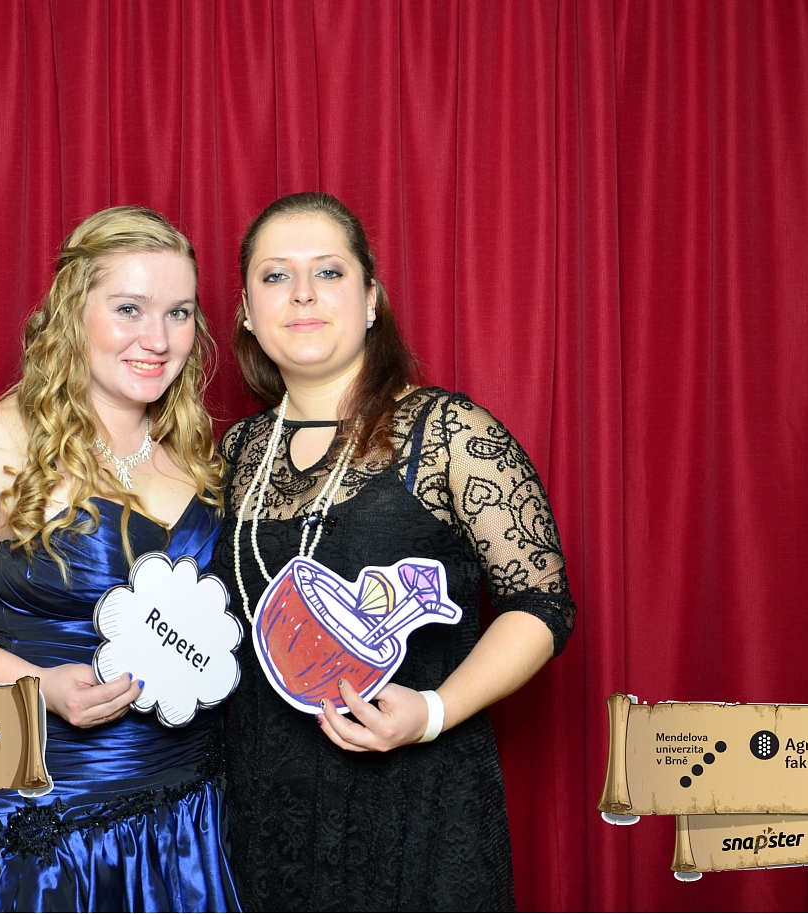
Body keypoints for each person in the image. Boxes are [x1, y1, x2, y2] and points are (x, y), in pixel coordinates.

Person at [210, 192, 577, 911]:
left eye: (329, 272)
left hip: (417, 810)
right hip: (263, 814)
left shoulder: (448, 432)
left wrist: (434, 712)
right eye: (276, 275)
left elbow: (542, 606)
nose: (303, 293)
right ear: (248, 313)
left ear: (371, 298)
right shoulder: (234, 451)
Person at [0, 206, 239, 912]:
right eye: (129, 309)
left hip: (187, 830)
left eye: (179, 313)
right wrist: (36, 686)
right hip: (46, 837)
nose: (157, 339)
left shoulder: (198, 459)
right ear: (74, 313)